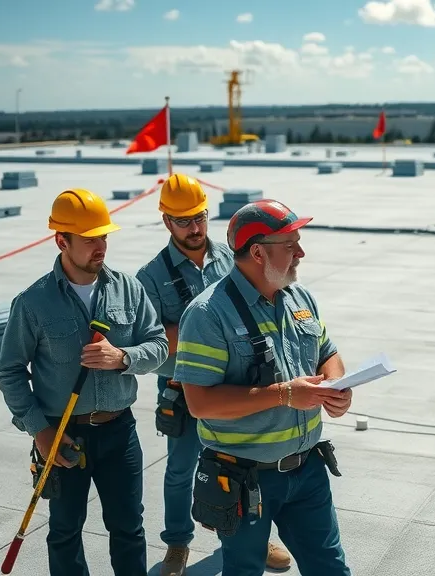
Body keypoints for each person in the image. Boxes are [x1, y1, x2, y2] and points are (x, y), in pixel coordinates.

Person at [172, 199, 354, 576]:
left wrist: (337, 384)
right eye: (291, 245)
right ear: (257, 252)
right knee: (244, 569)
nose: (301, 253)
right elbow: (200, 403)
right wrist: (285, 394)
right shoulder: (208, 314)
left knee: (331, 568)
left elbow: (327, 351)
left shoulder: (299, 297)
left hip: (307, 469)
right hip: (245, 478)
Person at [0, 188, 169, 576]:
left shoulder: (128, 288)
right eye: (90, 239)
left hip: (119, 432)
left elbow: (159, 346)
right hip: (63, 436)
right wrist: (40, 432)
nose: (101, 246)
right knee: (64, 531)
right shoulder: (33, 302)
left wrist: (123, 357)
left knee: (128, 528)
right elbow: (10, 372)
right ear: (62, 241)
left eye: (104, 236)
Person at [134, 174, 292, 575]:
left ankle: (256, 536)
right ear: (166, 221)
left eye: (200, 218)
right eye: (183, 221)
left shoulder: (229, 257)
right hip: (184, 389)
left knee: (246, 465)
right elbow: (150, 339)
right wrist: (201, 325)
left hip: (237, 383)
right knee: (181, 469)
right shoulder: (150, 277)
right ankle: (177, 544)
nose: (195, 228)